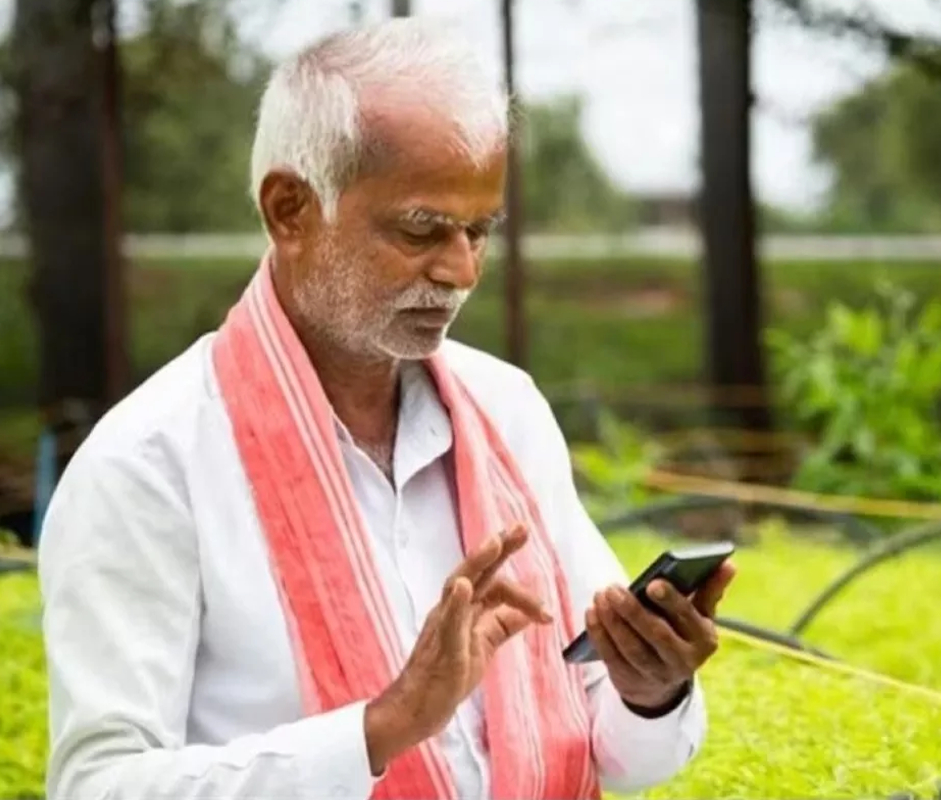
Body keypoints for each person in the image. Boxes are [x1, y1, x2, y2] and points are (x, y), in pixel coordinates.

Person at [37, 16, 736, 800]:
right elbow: (98, 785)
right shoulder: (150, 460)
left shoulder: (506, 412)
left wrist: (650, 690)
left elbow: (621, 751)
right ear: (290, 210)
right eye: (420, 229)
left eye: (479, 230)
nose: (461, 269)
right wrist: (381, 729)